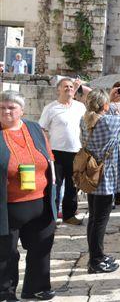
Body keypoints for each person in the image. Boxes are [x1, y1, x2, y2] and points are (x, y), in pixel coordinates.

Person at [0, 91, 57, 301]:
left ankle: (37, 287)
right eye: (2, 107)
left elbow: (48, 155)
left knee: (41, 247)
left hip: (40, 201)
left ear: (21, 111)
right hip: (8, 205)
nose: (6, 111)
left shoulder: (33, 128)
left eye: (11, 107)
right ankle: (5, 292)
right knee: (5, 252)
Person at [81, 87, 120, 274]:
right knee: (100, 220)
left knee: (93, 218)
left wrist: (111, 100)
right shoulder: (108, 122)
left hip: (91, 173)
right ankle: (96, 260)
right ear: (105, 105)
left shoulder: (85, 120)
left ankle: (96, 255)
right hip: (105, 176)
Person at [39, 78, 85, 226]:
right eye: (65, 86)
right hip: (56, 152)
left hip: (75, 152)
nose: (69, 89)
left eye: (71, 86)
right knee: (55, 186)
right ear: (58, 89)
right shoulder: (51, 108)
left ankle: (69, 215)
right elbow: (41, 129)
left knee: (73, 186)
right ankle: (51, 216)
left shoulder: (80, 107)